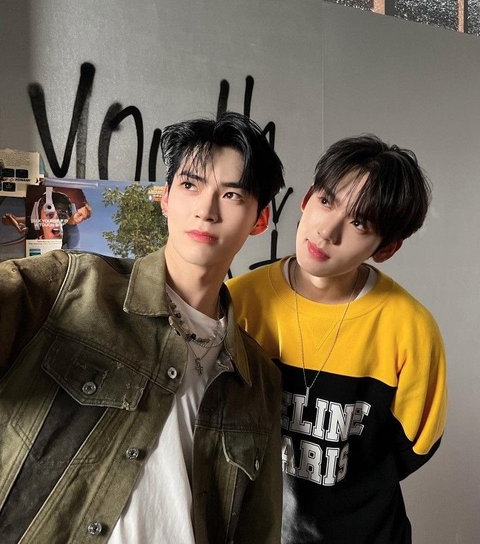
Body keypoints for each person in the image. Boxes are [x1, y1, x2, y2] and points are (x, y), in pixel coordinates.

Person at [0, 112, 285, 543]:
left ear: (259, 220)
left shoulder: (258, 379)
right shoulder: (68, 287)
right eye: (190, 185)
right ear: (166, 198)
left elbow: (257, 529)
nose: (206, 210)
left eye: (231, 195)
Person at [228, 135, 447, 544]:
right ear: (306, 199)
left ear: (386, 248)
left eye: (359, 223)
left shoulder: (410, 328)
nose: (327, 231)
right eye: (327, 201)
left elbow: (415, 447)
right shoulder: (239, 302)